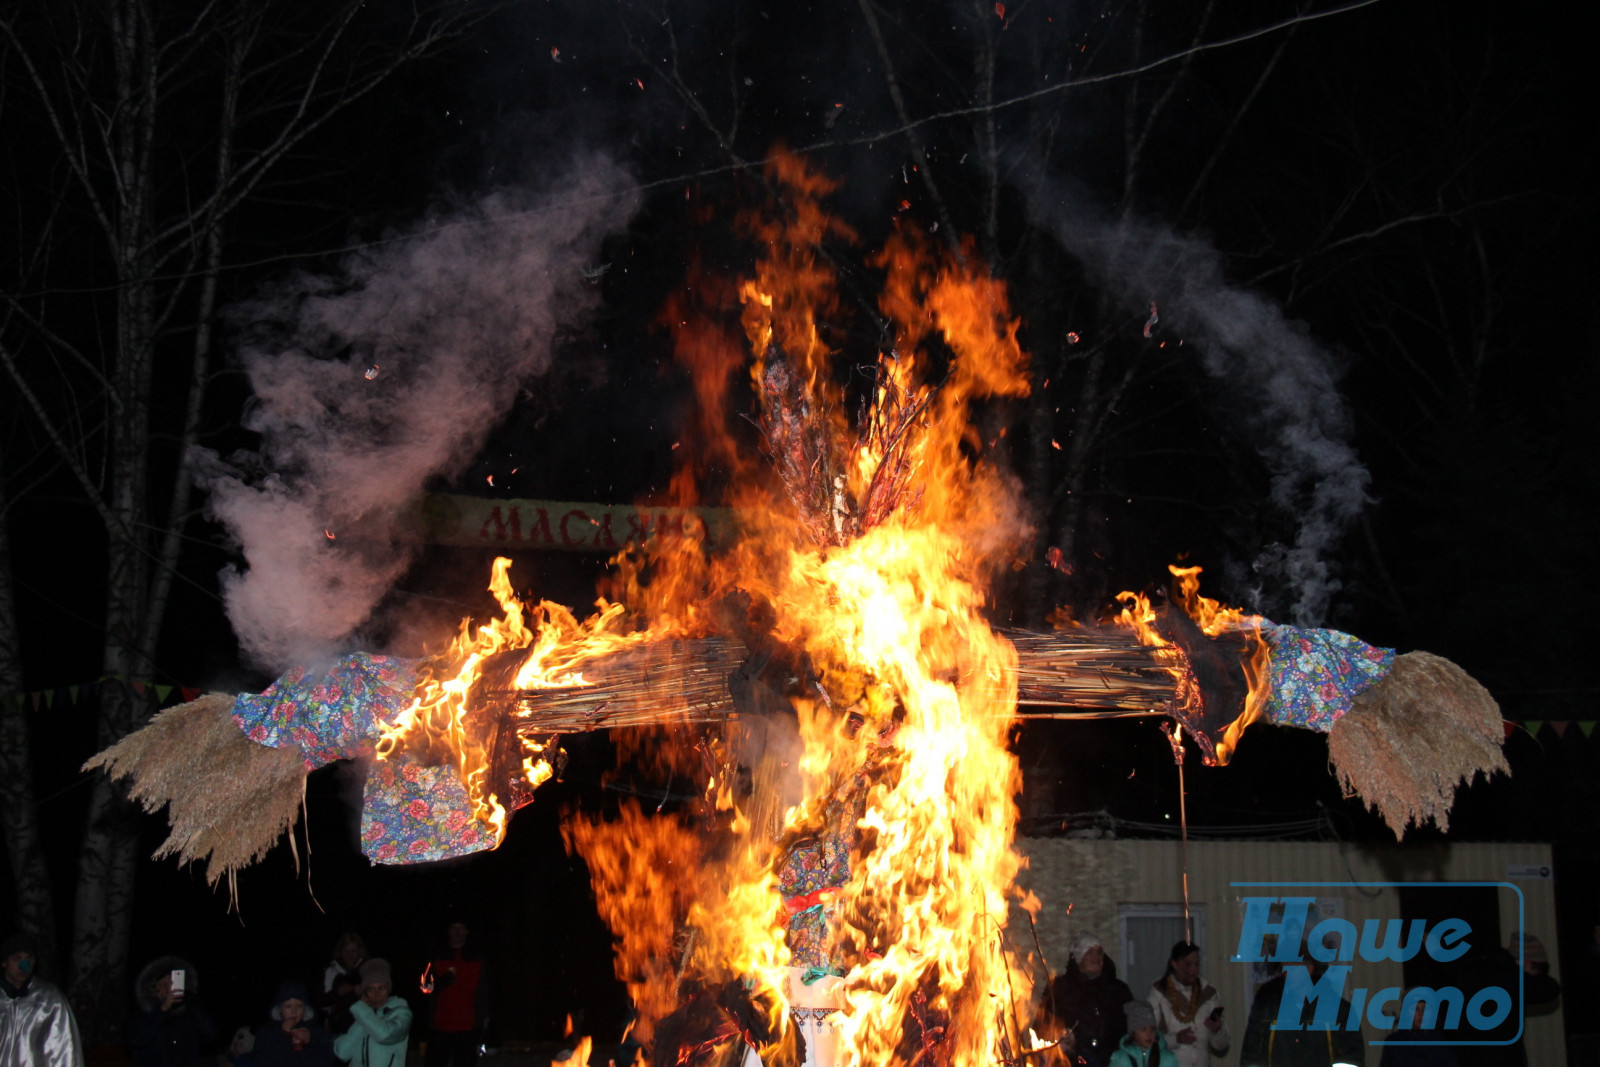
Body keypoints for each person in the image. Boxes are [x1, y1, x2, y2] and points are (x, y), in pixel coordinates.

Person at [1238, 961, 1363, 1067]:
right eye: (1284, 968)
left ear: (1309, 968)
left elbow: (1351, 1057)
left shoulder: (1338, 1011)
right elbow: (1251, 1056)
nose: (1287, 973)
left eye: (1293, 967)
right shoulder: (1267, 1009)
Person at [1047, 934, 1134, 1067]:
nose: (1096, 958)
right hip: (1072, 1060)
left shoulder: (1118, 990)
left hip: (1113, 1060)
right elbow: (1045, 1023)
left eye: (1099, 953)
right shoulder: (1060, 989)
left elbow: (1132, 1026)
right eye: (1089, 953)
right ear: (1078, 957)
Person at [1, 931, 84, 1067]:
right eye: (17, 958)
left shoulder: (49, 1000)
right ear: (4, 963)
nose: (24, 965)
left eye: (29, 958)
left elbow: (64, 1048)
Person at [1147, 941, 1228, 1067]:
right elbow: (1146, 1038)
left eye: (1196, 965)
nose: (1193, 970)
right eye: (1188, 964)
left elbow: (1222, 1046)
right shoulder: (1159, 992)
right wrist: (1175, 1039)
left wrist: (1217, 1030)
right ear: (1174, 964)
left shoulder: (1209, 993)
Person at [128, 955, 217, 1067]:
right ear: (153, 989)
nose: (169, 989)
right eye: (164, 985)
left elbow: (209, 1035)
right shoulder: (143, 1015)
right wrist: (162, 1009)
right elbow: (136, 1040)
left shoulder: (188, 1012)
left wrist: (193, 1004)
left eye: (172, 984)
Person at [422, 921, 489, 1067]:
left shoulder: (477, 957)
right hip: (440, 1024)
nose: (457, 932)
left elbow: (485, 991)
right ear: (448, 931)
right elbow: (424, 988)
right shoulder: (437, 956)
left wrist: (482, 1019)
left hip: (468, 1024)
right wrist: (440, 982)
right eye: (453, 928)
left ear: (466, 931)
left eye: (461, 928)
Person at [332, 960, 410, 1067]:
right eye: (371, 989)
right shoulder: (361, 1013)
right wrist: (363, 1013)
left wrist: (362, 1012)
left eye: (381, 988)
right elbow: (342, 1052)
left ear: (388, 989)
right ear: (365, 992)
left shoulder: (401, 1013)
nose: (377, 994)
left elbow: (384, 1035)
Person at [254, 981, 333, 1067]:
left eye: (299, 1006)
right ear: (279, 1008)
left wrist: (310, 1043)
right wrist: (282, 1036)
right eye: (288, 1006)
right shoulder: (267, 1032)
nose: (294, 1011)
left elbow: (326, 1061)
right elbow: (260, 1061)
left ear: (305, 1008)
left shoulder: (316, 1032)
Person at [1376, 993, 1459, 1067]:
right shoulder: (1393, 1042)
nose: (1421, 1014)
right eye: (1415, 1009)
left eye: (1425, 1009)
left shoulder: (1440, 1043)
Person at [319, 934, 367, 1034]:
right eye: (346, 951)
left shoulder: (366, 971)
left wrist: (363, 995)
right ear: (340, 952)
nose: (350, 955)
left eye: (354, 951)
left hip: (363, 1026)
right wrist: (337, 993)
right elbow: (320, 1004)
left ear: (360, 952)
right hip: (338, 1028)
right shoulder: (331, 972)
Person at [1109, 1001, 1179, 1067]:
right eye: (1143, 1030)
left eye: (1152, 1029)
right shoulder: (1120, 1058)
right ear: (1132, 1033)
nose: (1149, 1034)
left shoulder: (1168, 1058)